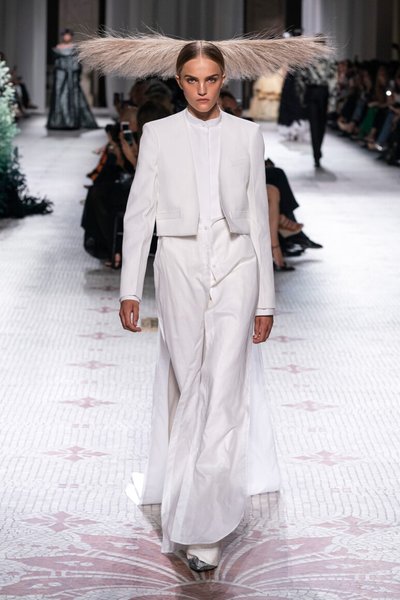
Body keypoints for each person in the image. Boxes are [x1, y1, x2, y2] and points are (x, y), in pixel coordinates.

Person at [78, 30, 330, 573]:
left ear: (223, 80)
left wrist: (266, 301)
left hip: (237, 267)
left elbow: (258, 221)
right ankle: (189, 497)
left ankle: (205, 525)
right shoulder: (159, 134)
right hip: (179, 268)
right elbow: (140, 213)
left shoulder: (246, 135)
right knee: (192, 385)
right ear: (179, 81)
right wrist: (129, 289)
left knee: (223, 390)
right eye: (192, 80)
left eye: (211, 80)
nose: (201, 89)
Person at [298, 34, 337, 167]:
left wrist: (302, 97)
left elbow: (301, 79)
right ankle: (317, 151)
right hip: (323, 93)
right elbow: (333, 81)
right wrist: (332, 102)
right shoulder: (330, 59)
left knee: (314, 125)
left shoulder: (308, 58)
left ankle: (316, 154)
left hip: (311, 92)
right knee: (321, 124)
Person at [47, 29, 97, 130]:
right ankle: (58, 121)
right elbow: (56, 64)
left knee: (73, 95)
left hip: (72, 76)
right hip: (60, 75)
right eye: (64, 35)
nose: (66, 37)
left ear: (71, 36)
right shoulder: (58, 48)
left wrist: (75, 72)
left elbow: (78, 63)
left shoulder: (75, 48)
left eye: (68, 35)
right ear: (62, 36)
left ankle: (73, 121)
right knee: (59, 95)